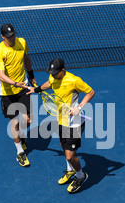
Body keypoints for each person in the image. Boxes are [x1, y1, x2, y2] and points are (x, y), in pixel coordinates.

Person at [28, 58, 95, 193]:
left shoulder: (74, 80)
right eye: (51, 72)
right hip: (61, 119)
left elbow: (91, 92)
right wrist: (36, 89)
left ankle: (81, 176)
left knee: (70, 156)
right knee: (63, 145)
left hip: (74, 122)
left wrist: (79, 107)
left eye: (55, 72)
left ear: (62, 71)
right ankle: (70, 170)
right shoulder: (53, 77)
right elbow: (49, 83)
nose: (52, 75)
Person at [0, 23, 36, 167]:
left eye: (13, 35)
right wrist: (16, 84)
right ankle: (20, 153)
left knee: (29, 120)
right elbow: (1, 75)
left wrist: (31, 75)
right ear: (2, 37)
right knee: (15, 123)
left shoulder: (22, 42)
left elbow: (26, 58)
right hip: (7, 92)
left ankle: (21, 137)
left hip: (23, 87)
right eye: (9, 36)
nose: (12, 38)